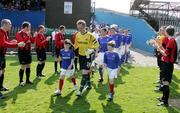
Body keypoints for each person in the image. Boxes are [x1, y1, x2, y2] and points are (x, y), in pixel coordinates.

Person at [0, 19, 25, 98]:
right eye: (9, 24)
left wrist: (12, 42)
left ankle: (1, 87)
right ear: (5, 24)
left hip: (2, 55)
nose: (11, 26)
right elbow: (3, 44)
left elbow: (5, 43)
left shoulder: (5, 32)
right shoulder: (0, 32)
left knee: (2, 70)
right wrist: (17, 44)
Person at [74, 20, 99, 96]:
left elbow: (97, 45)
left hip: (88, 56)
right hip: (81, 55)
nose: (80, 29)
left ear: (84, 27)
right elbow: (76, 45)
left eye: (81, 28)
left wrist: (92, 50)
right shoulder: (77, 35)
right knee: (86, 71)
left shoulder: (90, 35)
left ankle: (80, 90)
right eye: (78, 28)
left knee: (84, 72)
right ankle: (89, 84)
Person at [155, 25, 177, 107]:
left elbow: (165, 53)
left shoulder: (171, 41)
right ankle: (163, 98)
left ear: (167, 32)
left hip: (168, 65)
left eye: (164, 31)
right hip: (165, 64)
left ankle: (165, 102)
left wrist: (158, 48)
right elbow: (164, 48)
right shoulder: (168, 39)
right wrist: (158, 45)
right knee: (164, 81)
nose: (163, 32)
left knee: (166, 82)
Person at [16, 21, 35, 86]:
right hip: (22, 52)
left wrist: (33, 37)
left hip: (28, 52)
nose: (30, 28)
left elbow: (32, 41)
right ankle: (21, 81)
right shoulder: (19, 33)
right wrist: (27, 37)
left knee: (28, 65)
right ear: (26, 27)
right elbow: (21, 43)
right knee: (22, 66)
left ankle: (27, 80)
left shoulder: (29, 33)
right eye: (29, 27)